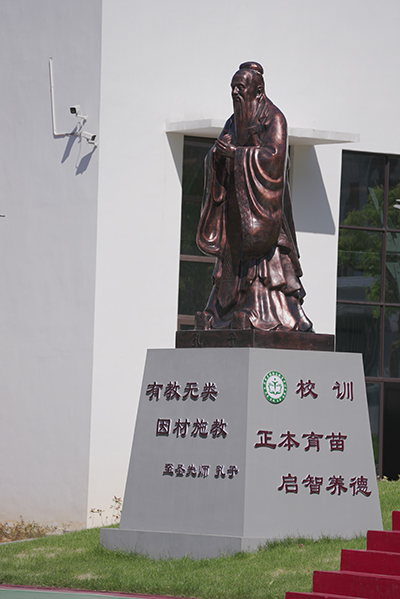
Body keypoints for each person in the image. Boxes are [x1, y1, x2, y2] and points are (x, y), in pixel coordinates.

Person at [195, 61, 313, 332]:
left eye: (240, 87)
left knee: (266, 265)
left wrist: (237, 154)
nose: (235, 92)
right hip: (236, 209)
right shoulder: (233, 121)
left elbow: (274, 158)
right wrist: (218, 154)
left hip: (264, 209)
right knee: (230, 264)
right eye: (232, 88)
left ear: (258, 91)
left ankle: (264, 314)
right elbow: (218, 151)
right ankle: (219, 313)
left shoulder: (274, 118)